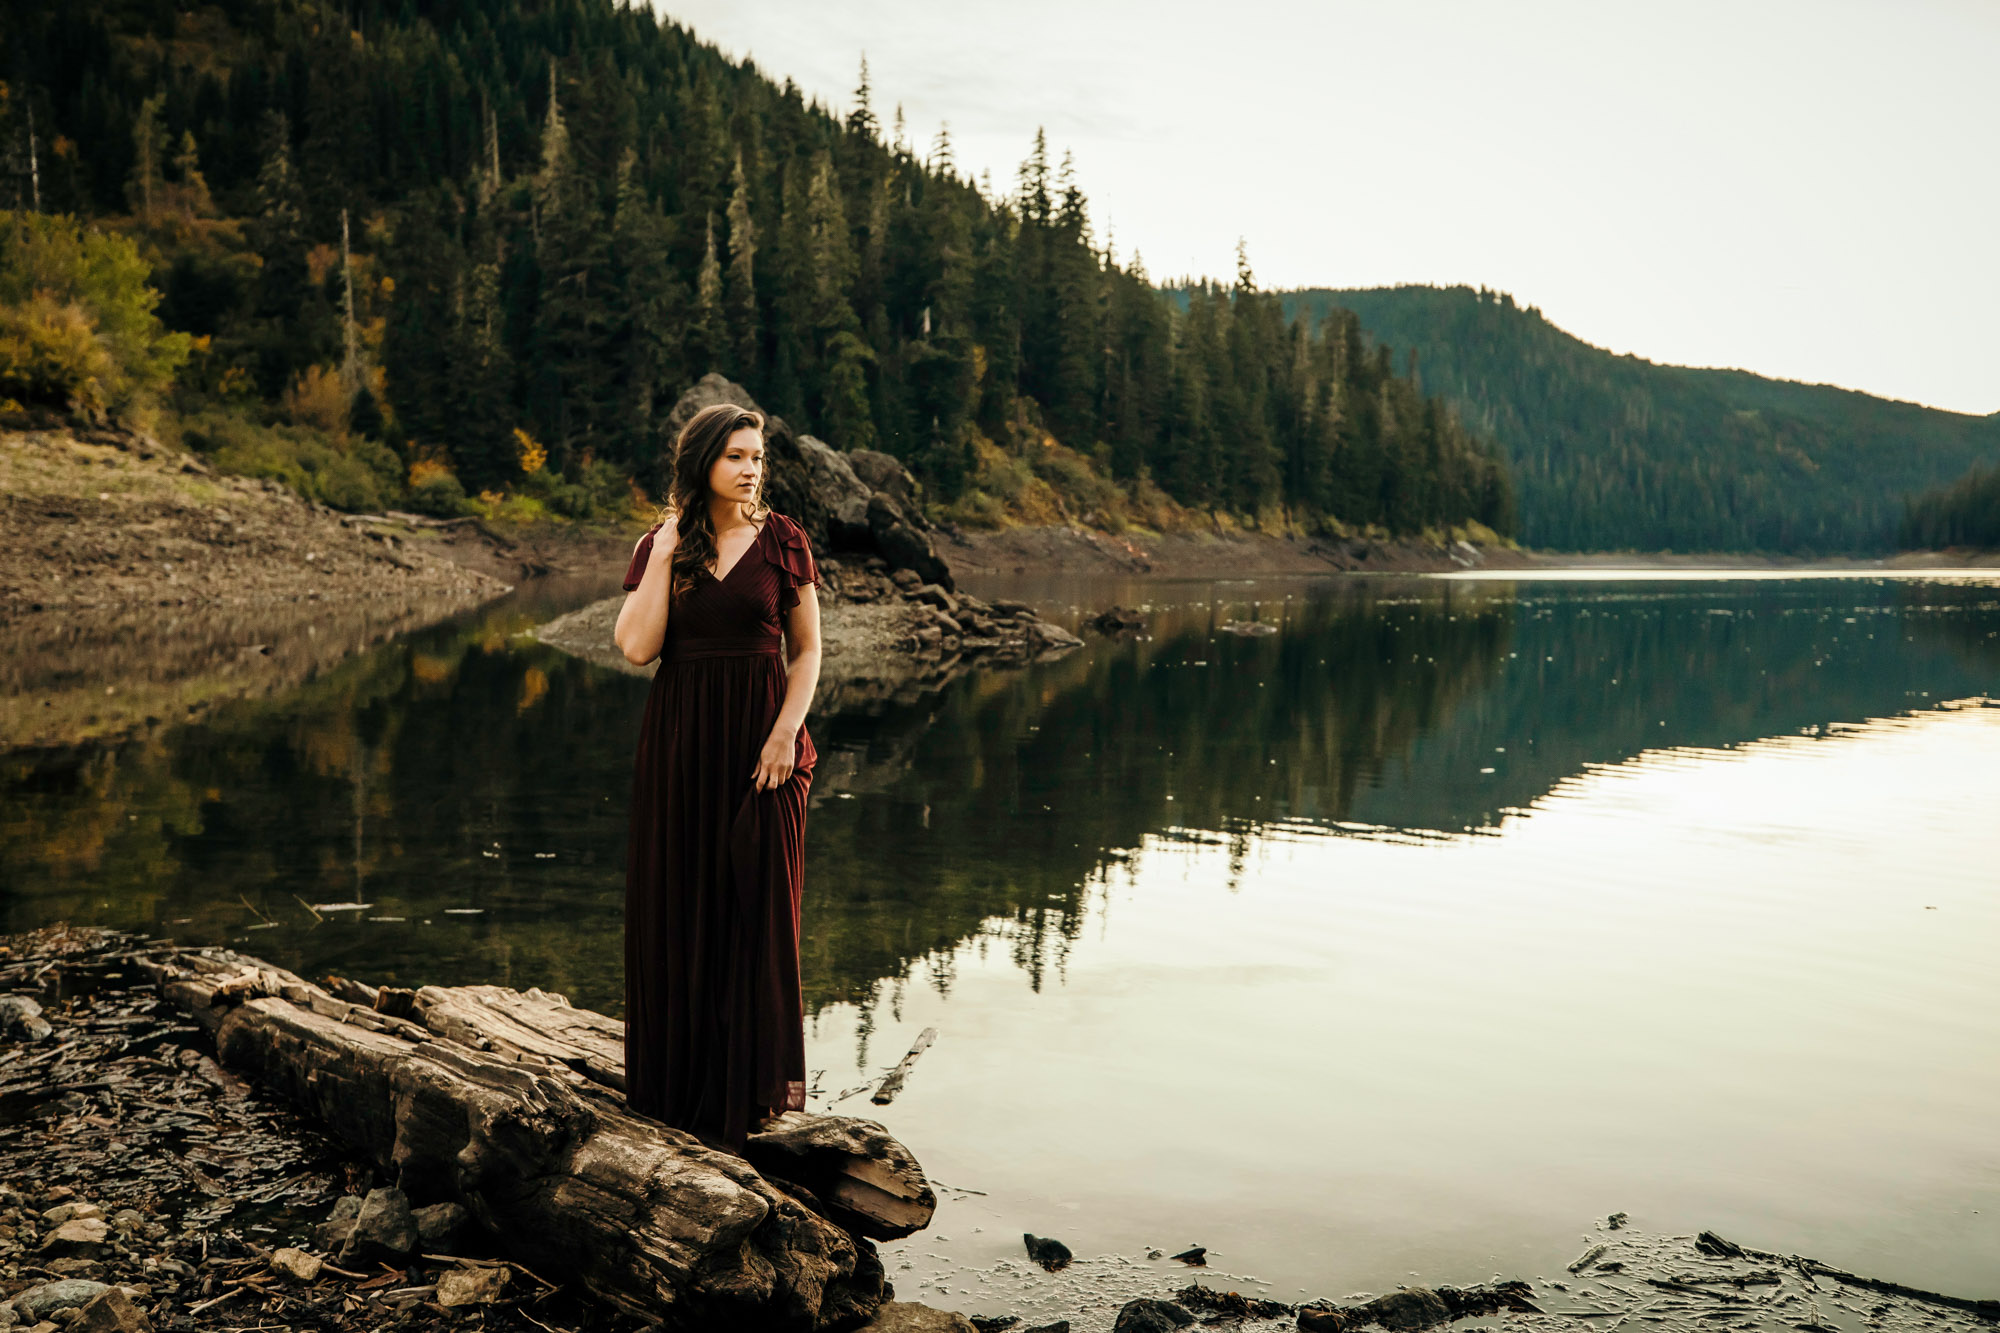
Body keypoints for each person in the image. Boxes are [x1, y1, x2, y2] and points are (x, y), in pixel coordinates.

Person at [613, 401, 822, 1149]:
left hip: (764, 748)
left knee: (757, 916)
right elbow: (637, 648)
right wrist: (667, 549)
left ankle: (749, 1100)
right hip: (681, 746)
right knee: (680, 908)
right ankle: (678, 1097)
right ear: (702, 461)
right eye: (737, 455)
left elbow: (807, 653)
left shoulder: (784, 540)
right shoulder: (664, 544)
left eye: (758, 456)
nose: (752, 468)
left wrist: (783, 733)